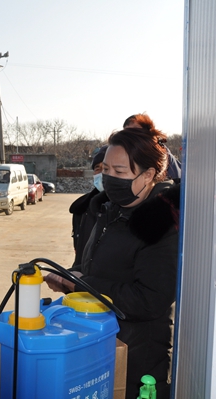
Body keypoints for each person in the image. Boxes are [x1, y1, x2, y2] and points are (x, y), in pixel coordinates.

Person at [46, 127, 179, 398]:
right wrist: (70, 277)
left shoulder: (161, 224)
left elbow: (149, 300)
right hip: (101, 342)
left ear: (149, 175)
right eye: (106, 169)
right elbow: (101, 270)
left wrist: (81, 284)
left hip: (139, 361)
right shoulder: (108, 210)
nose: (109, 179)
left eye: (119, 172)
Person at [69, 145, 107, 265]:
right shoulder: (82, 207)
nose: (101, 173)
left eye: (106, 168)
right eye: (97, 168)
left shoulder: (125, 208)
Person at [123, 113, 182, 182]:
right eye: (126, 134)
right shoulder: (121, 154)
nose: (131, 138)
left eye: (137, 133)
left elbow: (176, 183)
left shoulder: (162, 155)